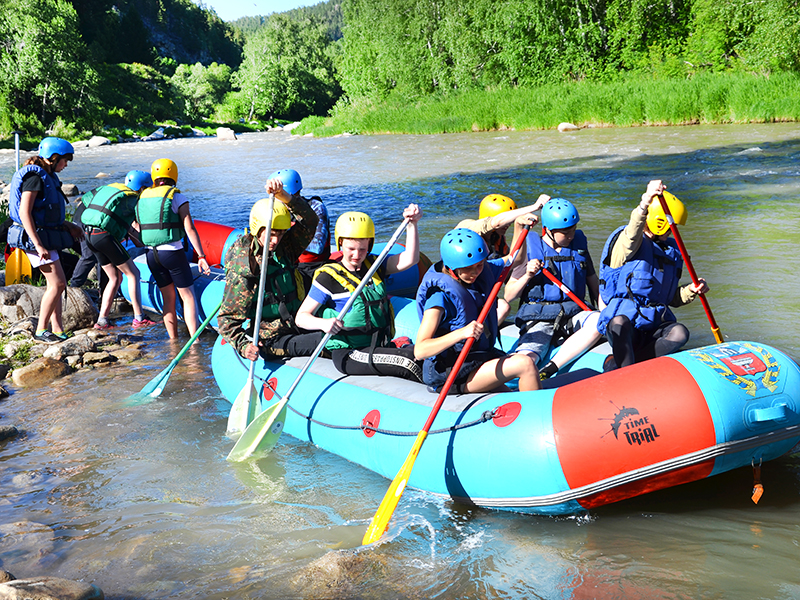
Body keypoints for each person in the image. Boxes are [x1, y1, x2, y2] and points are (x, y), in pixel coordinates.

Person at [294, 207, 425, 380]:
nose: (357, 255)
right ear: (340, 243)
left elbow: (411, 259)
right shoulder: (328, 277)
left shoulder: (374, 265)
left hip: (378, 345)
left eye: (362, 249)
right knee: (408, 363)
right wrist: (323, 323)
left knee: (424, 357)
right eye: (351, 248)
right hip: (349, 352)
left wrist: (412, 224)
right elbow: (301, 317)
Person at [414, 223, 540, 394]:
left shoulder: (482, 270)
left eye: (479, 265)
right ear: (452, 268)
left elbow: (515, 259)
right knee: (524, 364)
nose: (475, 273)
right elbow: (420, 350)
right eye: (467, 269)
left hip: (476, 358)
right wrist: (462, 333)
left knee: (510, 394)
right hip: (451, 372)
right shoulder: (438, 298)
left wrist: (520, 226)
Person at [597, 180, 709, 370]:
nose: (673, 231)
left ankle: (621, 364)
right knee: (619, 322)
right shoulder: (627, 245)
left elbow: (670, 298)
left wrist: (691, 290)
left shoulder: (669, 251)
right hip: (626, 328)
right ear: (659, 222)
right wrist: (646, 201)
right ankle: (625, 373)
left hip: (653, 325)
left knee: (680, 332)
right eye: (671, 225)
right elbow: (632, 232)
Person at [218, 177, 323, 360]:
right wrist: (244, 346)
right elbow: (227, 321)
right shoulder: (246, 266)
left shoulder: (286, 248)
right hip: (270, 338)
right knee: (325, 342)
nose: (275, 241)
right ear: (257, 229)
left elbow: (310, 221)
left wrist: (284, 196)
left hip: (298, 323)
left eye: (281, 234)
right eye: (271, 234)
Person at [505, 198, 603, 380]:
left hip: (573, 315)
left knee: (598, 320)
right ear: (548, 230)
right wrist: (527, 275)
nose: (571, 235)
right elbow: (509, 295)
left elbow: (593, 282)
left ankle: (550, 368)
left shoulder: (579, 248)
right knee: (528, 358)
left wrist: (606, 313)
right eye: (565, 233)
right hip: (539, 318)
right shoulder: (529, 248)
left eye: (573, 229)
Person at [7, 137, 83, 343]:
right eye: (65, 160)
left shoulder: (47, 175)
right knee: (57, 284)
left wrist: (69, 226)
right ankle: (41, 330)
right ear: (54, 157)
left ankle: (57, 329)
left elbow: (46, 214)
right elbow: (25, 213)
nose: (66, 165)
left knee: (58, 284)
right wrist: (38, 245)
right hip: (34, 239)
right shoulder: (35, 179)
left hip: (44, 236)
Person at [135, 159, 210, 339]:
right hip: (172, 253)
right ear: (173, 175)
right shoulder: (177, 197)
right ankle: (195, 341)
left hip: (151, 254)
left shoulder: (142, 197)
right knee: (188, 297)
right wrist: (201, 256)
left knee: (168, 298)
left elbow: (136, 226)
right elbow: (189, 229)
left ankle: (173, 341)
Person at [80, 170, 156, 330]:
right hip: (103, 236)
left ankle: (102, 320)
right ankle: (139, 318)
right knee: (133, 273)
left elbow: (87, 201)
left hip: (89, 234)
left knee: (114, 277)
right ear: (142, 188)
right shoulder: (133, 199)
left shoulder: (111, 188)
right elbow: (137, 229)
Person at [457, 193, 550, 322]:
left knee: (503, 306)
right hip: (459, 292)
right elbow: (497, 222)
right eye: (509, 220)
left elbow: (514, 261)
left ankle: (483, 334)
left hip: (479, 293)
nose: (508, 225)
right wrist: (534, 206)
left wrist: (519, 226)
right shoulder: (468, 226)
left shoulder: (498, 241)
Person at [268, 169, 332, 291]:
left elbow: (317, 246)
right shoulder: (279, 211)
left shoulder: (316, 207)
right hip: (288, 265)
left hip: (311, 268)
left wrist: (286, 239)